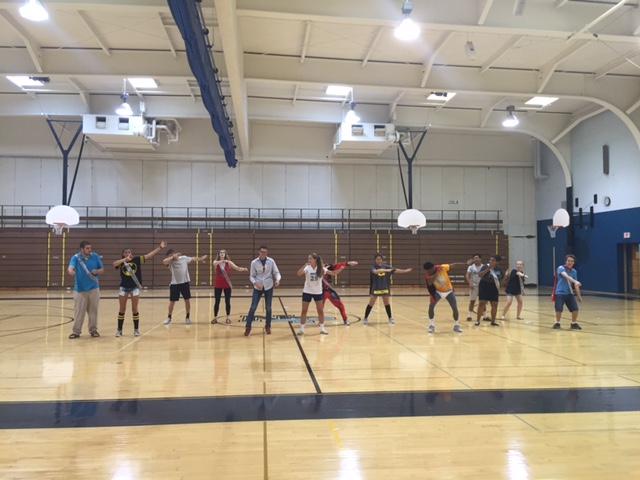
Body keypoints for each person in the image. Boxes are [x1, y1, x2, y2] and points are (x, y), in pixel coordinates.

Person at [112, 240, 167, 337]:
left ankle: (136, 330)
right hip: (124, 288)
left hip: (134, 288)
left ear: (131, 253)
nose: (128, 254)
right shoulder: (121, 263)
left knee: (135, 309)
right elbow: (114, 264)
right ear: (123, 254)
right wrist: (124, 260)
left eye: (129, 252)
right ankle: (119, 330)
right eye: (126, 252)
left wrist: (160, 248)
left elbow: (149, 255)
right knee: (122, 309)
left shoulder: (136, 259)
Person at [68, 240, 104, 339]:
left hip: (94, 289)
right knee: (79, 312)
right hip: (80, 290)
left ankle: (93, 330)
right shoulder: (75, 258)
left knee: (93, 311)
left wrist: (97, 271)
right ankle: (76, 332)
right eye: (87, 248)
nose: (89, 250)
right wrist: (71, 271)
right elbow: (70, 268)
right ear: (82, 249)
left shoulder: (95, 256)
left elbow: (102, 270)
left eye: (90, 248)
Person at [363, 253, 412, 325]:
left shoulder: (386, 266)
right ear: (375, 260)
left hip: (384, 287)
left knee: (387, 304)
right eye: (377, 259)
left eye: (380, 259)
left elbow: (395, 270)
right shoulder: (373, 267)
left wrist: (404, 271)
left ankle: (390, 318)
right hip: (376, 288)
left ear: (382, 260)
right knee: (371, 303)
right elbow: (376, 272)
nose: (379, 260)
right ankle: (365, 318)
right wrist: (387, 270)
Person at [423, 260, 471, 334]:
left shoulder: (441, 267)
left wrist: (465, 264)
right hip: (437, 292)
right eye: (427, 271)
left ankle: (456, 325)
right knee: (431, 307)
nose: (428, 272)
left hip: (449, 291)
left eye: (429, 270)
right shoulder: (427, 275)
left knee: (454, 308)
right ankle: (431, 325)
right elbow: (430, 283)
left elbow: (454, 265)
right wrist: (436, 273)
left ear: (432, 268)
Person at [163, 250, 208, 325]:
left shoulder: (183, 258)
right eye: (170, 256)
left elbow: (193, 258)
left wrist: (201, 259)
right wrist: (172, 257)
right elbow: (164, 261)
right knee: (172, 302)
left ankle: (187, 317)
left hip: (185, 283)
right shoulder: (170, 262)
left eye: (173, 254)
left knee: (187, 300)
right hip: (175, 284)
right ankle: (169, 318)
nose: (172, 256)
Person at [244, 246, 281, 336]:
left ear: (267, 253)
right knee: (253, 307)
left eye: (265, 252)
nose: (263, 253)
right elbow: (251, 276)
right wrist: (255, 283)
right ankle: (248, 327)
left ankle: (268, 326)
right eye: (261, 252)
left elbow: (276, 272)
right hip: (258, 287)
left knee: (268, 308)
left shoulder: (271, 261)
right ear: (259, 252)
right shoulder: (254, 262)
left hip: (269, 286)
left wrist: (277, 280)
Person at [297, 253, 337, 336]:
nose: (309, 260)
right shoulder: (307, 267)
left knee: (320, 311)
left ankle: (322, 328)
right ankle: (301, 329)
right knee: (304, 310)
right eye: (308, 258)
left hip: (317, 292)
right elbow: (298, 274)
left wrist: (343, 266)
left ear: (315, 260)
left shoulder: (321, 268)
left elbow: (333, 273)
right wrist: (304, 265)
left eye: (310, 258)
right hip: (307, 291)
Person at [211, 249, 248, 324]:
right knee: (217, 302)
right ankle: (215, 318)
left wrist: (243, 269)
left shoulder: (229, 263)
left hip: (227, 285)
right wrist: (223, 261)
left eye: (223, 253)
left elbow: (237, 268)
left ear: (225, 254)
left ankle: (228, 318)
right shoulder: (216, 262)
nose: (222, 254)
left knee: (227, 302)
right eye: (220, 253)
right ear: (218, 254)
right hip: (218, 285)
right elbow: (215, 263)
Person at [322, 260, 358, 325]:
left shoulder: (327, 267)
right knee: (320, 308)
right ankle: (321, 322)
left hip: (329, 290)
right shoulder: (313, 269)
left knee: (340, 305)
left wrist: (348, 263)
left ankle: (345, 320)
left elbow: (339, 265)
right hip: (320, 292)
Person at [553, 254, 582, 330]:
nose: (570, 262)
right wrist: (575, 281)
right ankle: (557, 323)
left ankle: (573, 323)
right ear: (566, 261)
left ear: (574, 263)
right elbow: (565, 276)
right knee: (559, 308)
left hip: (569, 293)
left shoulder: (574, 271)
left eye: (572, 261)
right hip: (560, 292)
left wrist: (579, 296)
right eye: (568, 261)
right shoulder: (561, 268)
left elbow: (575, 285)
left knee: (575, 309)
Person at [475, 256, 503, 326]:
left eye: (493, 260)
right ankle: (478, 321)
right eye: (490, 260)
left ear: (497, 262)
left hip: (494, 287)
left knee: (494, 304)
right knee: (482, 303)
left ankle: (493, 321)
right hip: (484, 286)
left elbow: (501, 279)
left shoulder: (499, 269)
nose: (490, 261)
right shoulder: (485, 266)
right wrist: (488, 269)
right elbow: (480, 275)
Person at [465, 254, 483, 321]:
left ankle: (485, 315)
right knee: (472, 301)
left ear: (480, 259)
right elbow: (467, 275)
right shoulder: (471, 267)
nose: (476, 259)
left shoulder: (483, 266)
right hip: (474, 286)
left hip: (482, 286)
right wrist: (470, 283)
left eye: (477, 258)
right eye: (474, 258)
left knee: (482, 301)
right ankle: (469, 315)